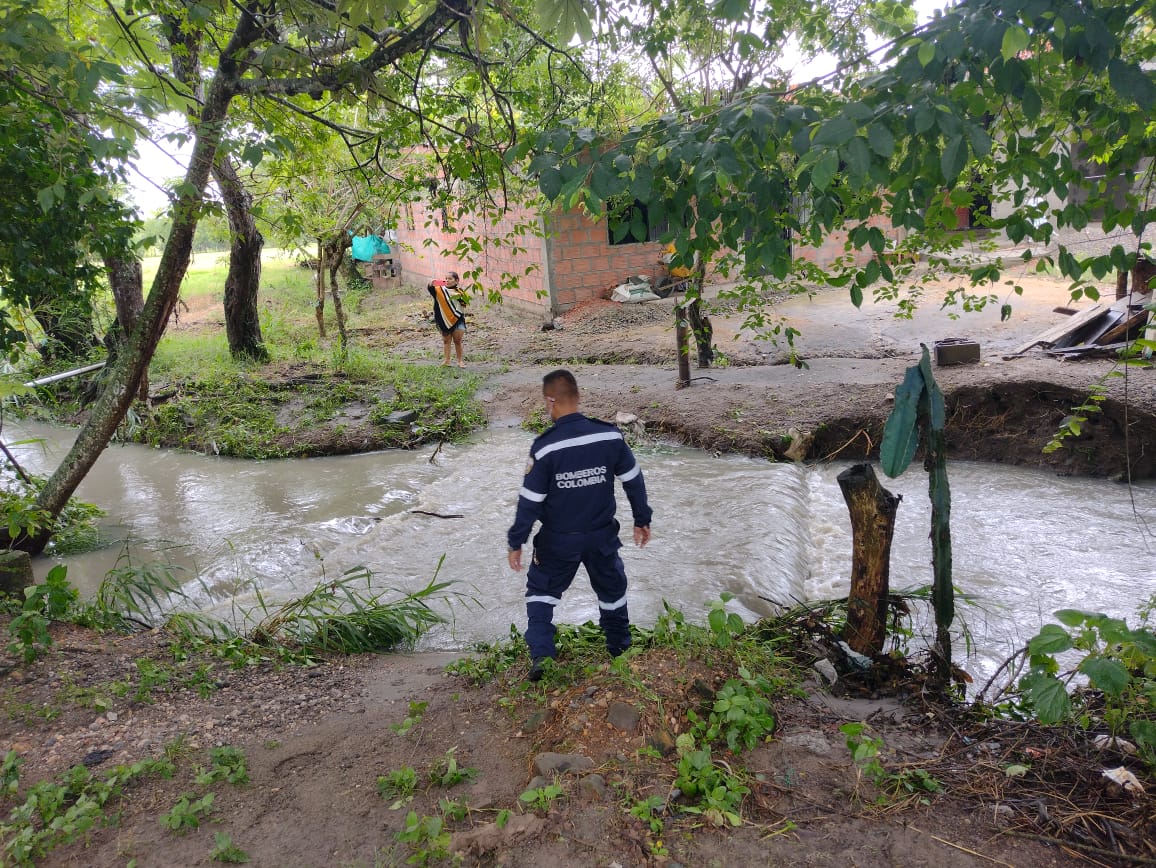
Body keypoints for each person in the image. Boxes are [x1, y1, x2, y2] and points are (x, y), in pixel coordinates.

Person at [507, 369, 652, 681]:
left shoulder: (545, 447)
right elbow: (633, 480)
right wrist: (642, 519)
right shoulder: (609, 435)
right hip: (602, 537)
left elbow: (530, 501)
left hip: (559, 541)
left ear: (551, 401)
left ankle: (543, 656)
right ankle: (621, 652)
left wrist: (516, 541)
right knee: (612, 591)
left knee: (540, 592)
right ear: (578, 397)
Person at [427, 271, 466, 367]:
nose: (447, 280)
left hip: (457, 319)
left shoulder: (460, 292)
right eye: (446, 278)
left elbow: (464, 304)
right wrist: (436, 282)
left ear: (456, 281)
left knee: (457, 341)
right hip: (443, 319)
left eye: (450, 279)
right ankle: (447, 361)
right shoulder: (439, 290)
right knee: (446, 341)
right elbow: (431, 285)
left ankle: (460, 361)